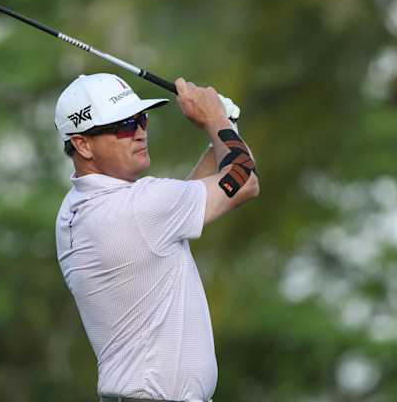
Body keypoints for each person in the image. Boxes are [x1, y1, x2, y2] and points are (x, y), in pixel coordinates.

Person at [54, 73, 259, 402]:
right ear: (82, 144)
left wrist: (224, 126)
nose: (138, 133)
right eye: (122, 126)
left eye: (141, 120)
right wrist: (215, 120)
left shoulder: (74, 210)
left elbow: (188, 200)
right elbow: (244, 179)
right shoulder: (140, 207)